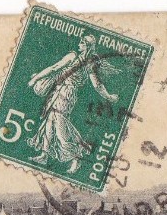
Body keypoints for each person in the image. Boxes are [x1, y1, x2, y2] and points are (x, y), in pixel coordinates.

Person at [27, 34, 120, 175]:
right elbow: (55, 68)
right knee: (50, 121)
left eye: (82, 42)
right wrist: (109, 97)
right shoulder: (79, 59)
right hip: (59, 91)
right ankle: (44, 155)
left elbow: (96, 84)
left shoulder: (86, 62)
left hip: (67, 94)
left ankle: (76, 157)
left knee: (60, 125)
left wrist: (109, 97)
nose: (79, 44)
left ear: (87, 46)